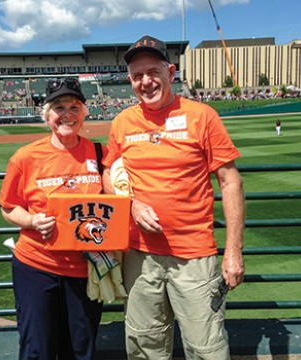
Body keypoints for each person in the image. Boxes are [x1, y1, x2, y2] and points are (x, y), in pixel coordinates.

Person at [102, 35, 245, 360]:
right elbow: (109, 173)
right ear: (130, 80)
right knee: (144, 344)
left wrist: (233, 252)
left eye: (153, 72)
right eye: (138, 76)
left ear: (171, 71)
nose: (146, 81)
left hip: (195, 257)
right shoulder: (123, 122)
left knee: (206, 347)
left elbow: (230, 181)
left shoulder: (202, 116)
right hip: (139, 257)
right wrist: (130, 206)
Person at [0, 78, 106, 360]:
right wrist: (32, 221)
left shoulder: (100, 153)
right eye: (59, 107)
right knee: (37, 347)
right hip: (36, 265)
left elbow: (117, 200)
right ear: (47, 116)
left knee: (81, 347)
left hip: (85, 268)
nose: (67, 114)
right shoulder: (26, 157)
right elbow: (8, 208)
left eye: (74, 106)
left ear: (84, 113)